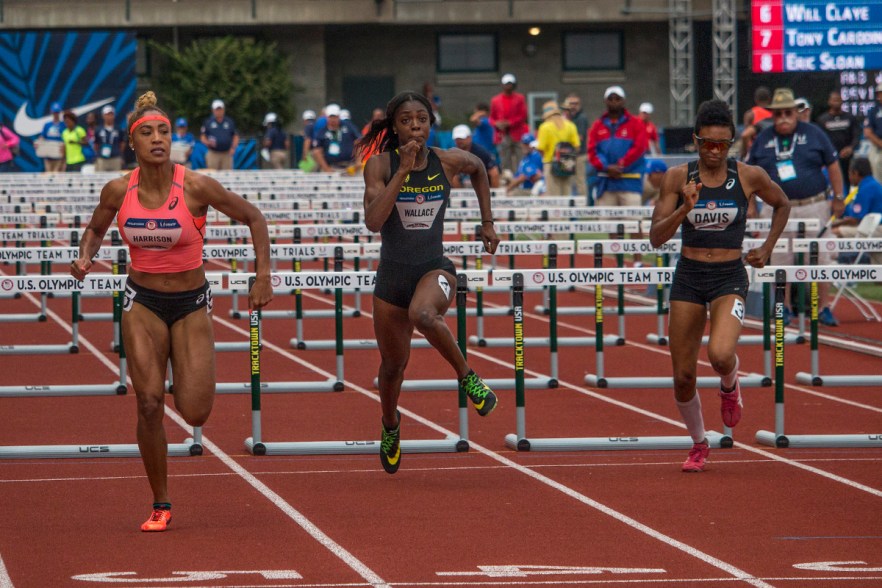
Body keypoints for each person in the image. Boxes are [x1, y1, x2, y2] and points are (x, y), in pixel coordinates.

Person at [70, 91, 273, 531]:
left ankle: (181, 367)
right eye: (147, 132)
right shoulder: (118, 189)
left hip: (190, 302)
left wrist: (263, 275)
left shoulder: (196, 186)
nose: (158, 138)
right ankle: (160, 502)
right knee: (147, 404)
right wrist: (84, 256)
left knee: (196, 411)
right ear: (133, 143)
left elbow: (255, 217)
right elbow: (95, 229)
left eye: (163, 130)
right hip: (141, 302)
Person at [357, 91, 500, 474]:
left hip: (434, 268)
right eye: (406, 120)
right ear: (395, 128)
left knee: (424, 315)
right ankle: (391, 425)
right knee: (392, 367)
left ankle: (469, 379)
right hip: (391, 280)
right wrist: (402, 171)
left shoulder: (448, 161)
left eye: (421, 119)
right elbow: (373, 221)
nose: (415, 126)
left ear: (430, 124)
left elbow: (480, 169)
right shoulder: (379, 166)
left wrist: (487, 222)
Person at [649, 99, 790, 473]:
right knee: (682, 377)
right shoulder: (677, 178)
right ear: (695, 142)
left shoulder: (749, 176)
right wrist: (684, 208)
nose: (713, 152)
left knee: (721, 354)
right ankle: (699, 443)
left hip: (729, 276)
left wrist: (767, 247)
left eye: (721, 145)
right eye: (706, 144)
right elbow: (655, 238)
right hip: (690, 277)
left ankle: (730, 384)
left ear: (731, 144)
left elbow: (783, 204)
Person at [747, 87, 845, 326]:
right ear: (772, 115)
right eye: (778, 114)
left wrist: (839, 197)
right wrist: (751, 206)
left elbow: (833, 165)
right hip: (777, 208)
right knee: (780, 258)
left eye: (788, 113)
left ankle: (822, 308)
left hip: (814, 205)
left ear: (796, 112)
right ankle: (784, 308)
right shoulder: (764, 139)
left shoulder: (814, 133)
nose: (783, 118)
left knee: (821, 258)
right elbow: (748, 174)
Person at [587, 86, 648, 208]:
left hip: (630, 184)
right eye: (611, 98)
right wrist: (606, 167)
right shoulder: (597, 126)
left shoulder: (636, 124)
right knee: (605, 225)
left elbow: (640, 148)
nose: (614, 101)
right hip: (605, 186)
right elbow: (592, 152)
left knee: (633, 225)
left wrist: (621, 165)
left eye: (617, 98)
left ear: (623, 100)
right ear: (605, 101)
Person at [831, 157, 882, 258]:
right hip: (874, 228)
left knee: (833, 232)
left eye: (849, 173)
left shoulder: (866, 188)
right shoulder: (873, 184)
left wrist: (834, 225)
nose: (849, 177)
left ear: (855, 173)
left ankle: (832, 266)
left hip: (877, 229)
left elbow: (855, 220)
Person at [817, 90, 862, 192]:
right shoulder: (822, 119)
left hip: (848, 158)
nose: (836, 102)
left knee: (851, 183)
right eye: (834, 100)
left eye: (838, 100)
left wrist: (851, 148)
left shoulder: (850, 118)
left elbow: (856, 135)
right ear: (829, 102)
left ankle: (850, 204)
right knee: (832, 182)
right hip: (830, 158)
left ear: (842, 101)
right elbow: (820, 139)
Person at [536, 100, 581, 196]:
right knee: (567, 193)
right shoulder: (570, 125)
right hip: (568, 162)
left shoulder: (544, 127)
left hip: (550, 162)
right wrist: (568, 157)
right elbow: (577, 146)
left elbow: (541, 148)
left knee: (553, 196)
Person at [490, 73, 529, 175]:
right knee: (505, 160)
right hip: (503, 134)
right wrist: (497, 123)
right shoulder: (496, 100)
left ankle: (521, 178)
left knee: (520, 157)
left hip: (517, 133)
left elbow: (523, 115)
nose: (508, 86)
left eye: (510, 84)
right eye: (506, 84)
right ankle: (508, 180)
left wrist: (510, 123)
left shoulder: (519, 98)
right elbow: (492, 117)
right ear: (502, 85)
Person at [312, 103, 359, 172]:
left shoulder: (348, 127)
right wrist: (326, 168)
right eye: (331, 117)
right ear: (327, 118)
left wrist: (358, 161)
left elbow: (358, 142)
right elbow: (316, 151)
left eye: (335, 117)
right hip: (331, 167)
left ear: (339, 117)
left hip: (350, 167)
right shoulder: (322, 132)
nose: (333, 120)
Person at [450, 124, 500, 188]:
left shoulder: (482, 153)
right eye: (457, 139)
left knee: (494, 172)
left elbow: (494, 172)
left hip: (482, 185)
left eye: (462, 138)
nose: (459, 141)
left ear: (469, 138)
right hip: (462, 186)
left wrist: (493, 193)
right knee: (452, 176)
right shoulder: (453, 154)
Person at [200, 99, 238, 170]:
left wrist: (233, 148)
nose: (219, 111)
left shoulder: (229, 122)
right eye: (217, 109)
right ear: (213, 110)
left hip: (227, 154)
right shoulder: (208, 122)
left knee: (227, 175)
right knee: (212, 176)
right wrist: (208, 142)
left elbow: (235, 136)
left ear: (223, 110)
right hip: (213, 153)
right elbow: (203, 137)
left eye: (220, 109)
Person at [563, 93, 589, 196]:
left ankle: (583, 205)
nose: (573, 106)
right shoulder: (566, 118)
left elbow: (580, 138)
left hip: (579, 155)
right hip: (566, 154)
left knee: (580, 180)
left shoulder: (581, 118)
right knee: (567, 180)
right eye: (571, 103)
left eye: (576, 103)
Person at [94, 105, 125, 172]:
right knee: (101, 179)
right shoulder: (98, 129)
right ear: (103, 116)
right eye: (107, 114)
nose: (109, 117)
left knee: (116, 180)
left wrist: (119, 155)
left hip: (115, 158)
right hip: (102, 159)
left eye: (111, 114)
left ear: (114, 115)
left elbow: (122, 144)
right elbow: (96, 144)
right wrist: (98, 155)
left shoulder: (118, 129)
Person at [863, 82, 882, 184]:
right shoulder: (873, 111)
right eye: (880, 93)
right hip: (878, 147)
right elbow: (867, 132)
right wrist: (880, 143)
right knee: (877, 179)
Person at [39, 102, 66, 172]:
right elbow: (42, 137)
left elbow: (66, 139)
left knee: (59, 176)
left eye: (57, 112)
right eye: (54, 112)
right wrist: (38, 143)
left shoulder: (64, 125)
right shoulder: (47, 125)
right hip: (49, 155)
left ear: (60, 112)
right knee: (49, 175)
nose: (56, 114)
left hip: (59, 155)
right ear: (51, 112)